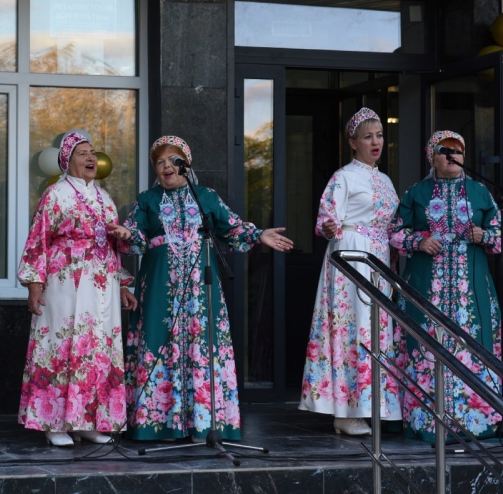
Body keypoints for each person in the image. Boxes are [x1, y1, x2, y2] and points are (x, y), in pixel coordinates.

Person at [108, 135, 292, 442]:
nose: (166, 166)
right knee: (159, 342)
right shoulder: (147, 200)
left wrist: (259, 235)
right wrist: (128, 234)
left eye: (173, 160)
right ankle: (159, 425)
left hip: (200, 290)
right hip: (159, 289)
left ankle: (204, 424)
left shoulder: (206, 196)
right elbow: (134, 238)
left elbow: (232, 227)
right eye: (159, 162)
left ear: (186, 163)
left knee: (202, 345)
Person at [17, 129, 137, 447]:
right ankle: (54, 423)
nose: (90, 157)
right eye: (82, 153)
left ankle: (88, 422)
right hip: (64, 279)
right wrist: (34, 284)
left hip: (102, 282)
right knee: (61, 342)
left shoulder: (105, 198)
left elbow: (110, 247)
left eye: (92, 152)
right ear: (67, 161)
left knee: (98, 348)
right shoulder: (55, 194)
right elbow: (38, 240)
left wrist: (122, 284)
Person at [390, 130, 502, 442]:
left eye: (458, 151)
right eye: (445, 151)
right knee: (425, 347)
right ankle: (427, 422)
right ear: (432, 158)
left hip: (472, 293)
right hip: (426, 288)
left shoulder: (480, 192)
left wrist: (484, 236)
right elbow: (394, 232)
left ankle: (478, 423)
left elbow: (499, 234)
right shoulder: (417, 192)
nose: (453, 156)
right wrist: (419, 241)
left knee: (474, 347)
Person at [299, 107, 402, 436]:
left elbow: (392, 225)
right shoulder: (344, 176)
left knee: (375, 329)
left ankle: (373, 407)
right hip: (352, 254)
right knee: (353, 327)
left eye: (379, 135)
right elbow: (326, 219)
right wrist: (330, 227)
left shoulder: (385, 180)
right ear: (353, 142)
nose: (376, 141)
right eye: (368, 136)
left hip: (379, 258)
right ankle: (345, 412)